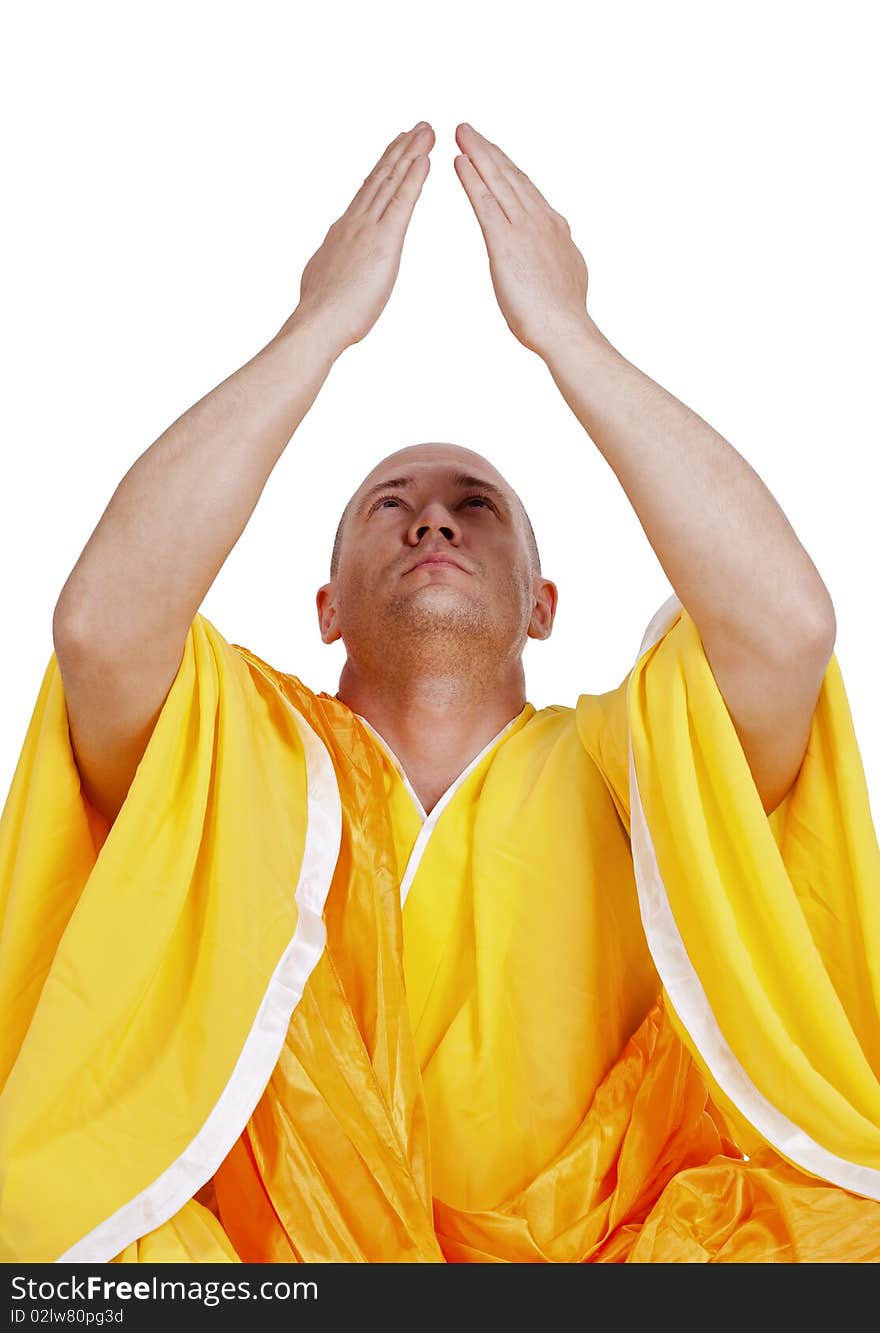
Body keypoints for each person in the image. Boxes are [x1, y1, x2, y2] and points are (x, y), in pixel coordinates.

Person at [1, 120, 878, 1264]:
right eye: (389, 503)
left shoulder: (632, 762)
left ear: (541, 605)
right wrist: (318, 327)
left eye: (476, 505)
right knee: (55, 1230)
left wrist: (567, 333)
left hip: (605, 1274)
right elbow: (100, 631)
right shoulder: (239, 752)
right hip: (269, 1288)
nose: (430, 516)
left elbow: (786, 628)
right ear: (325, 610)